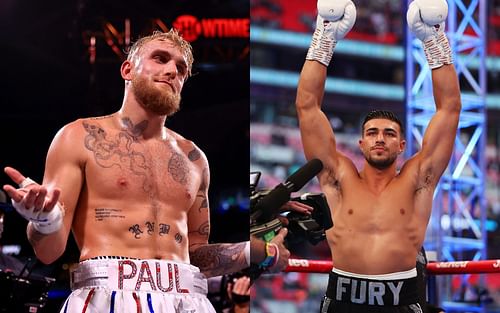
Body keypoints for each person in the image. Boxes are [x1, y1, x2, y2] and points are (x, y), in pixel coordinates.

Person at [3, 29, 249, 313]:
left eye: (181, 69)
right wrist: (46, 219)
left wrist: (248, 251)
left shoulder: (194, 159)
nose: (172, 71)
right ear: (127, 69)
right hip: (108, 296)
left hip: (188, 299)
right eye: (160, 59)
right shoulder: (79, 137)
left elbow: (196, 255)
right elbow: (48, 252)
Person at [295, 0, 460, 311]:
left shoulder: (418, 178)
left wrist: (434, 41)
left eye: (389, 133)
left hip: (402, 300)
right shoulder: (337, 176)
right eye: (372, 133)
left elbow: (449, 110)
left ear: (401, 145)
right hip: (343, 298)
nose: (380, 139)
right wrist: (324, 37)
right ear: (361, 143)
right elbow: (307, 107)